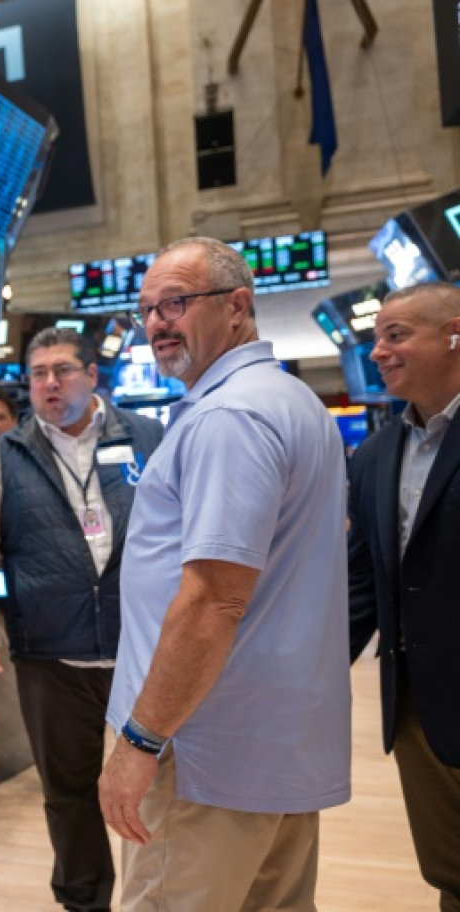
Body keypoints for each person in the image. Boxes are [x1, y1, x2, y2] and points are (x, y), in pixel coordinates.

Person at [98, 237, 351, 911]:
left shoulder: (227, 416)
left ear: (239, 306)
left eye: (175, 303)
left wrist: (139, 739)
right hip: (274, 747)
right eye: (147, 310)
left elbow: (213, 601)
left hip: (201, 758)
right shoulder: (295, 403)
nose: (156, 324)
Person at [0, 327, 163, 912]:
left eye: (62, 369)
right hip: (52, 659)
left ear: (92, 375)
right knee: (69, 796)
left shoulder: (151, 436)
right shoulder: (2, 455)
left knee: (161, 792)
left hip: (145, 654)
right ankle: (82, 900)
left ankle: (161, 899)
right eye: (37, 373)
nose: (48, 382)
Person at [347, 282, 460, 911]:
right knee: (450, 872)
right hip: (418, 710)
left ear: (454, 333)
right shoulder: (374, 454)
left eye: (396, 335)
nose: (380, 352)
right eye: (376, 340)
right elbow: (362, 585)